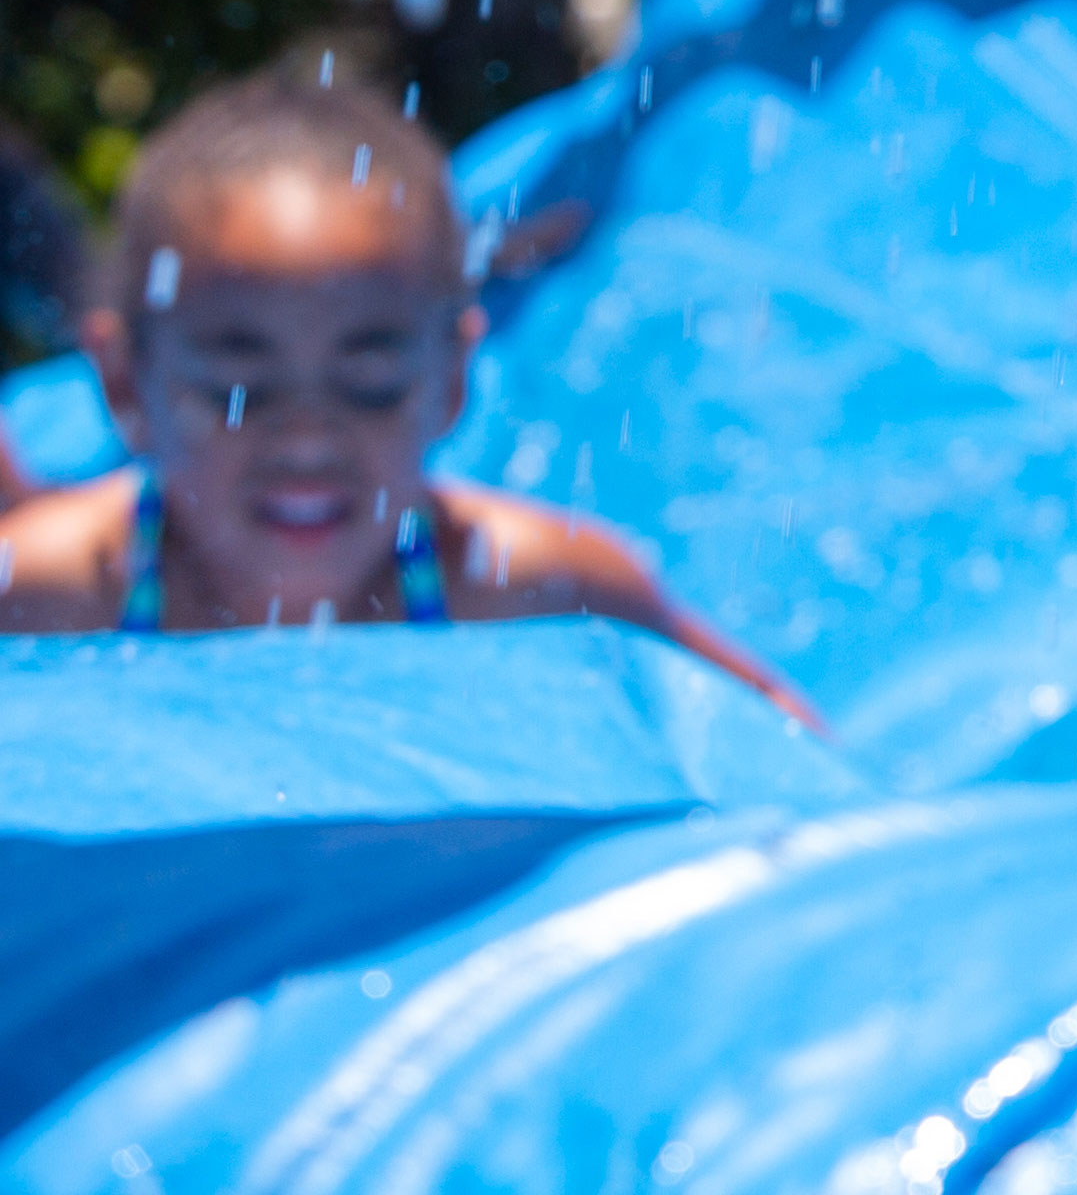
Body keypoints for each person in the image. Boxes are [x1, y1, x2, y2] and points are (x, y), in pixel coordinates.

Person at [0, 69, 812, 714]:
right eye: (238, 388)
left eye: (372, 381)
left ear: (454, 379)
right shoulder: (50, 597)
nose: (307, 437)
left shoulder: (532, 587)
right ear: (121, 385)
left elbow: (773, 738)